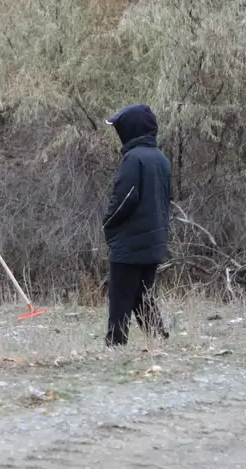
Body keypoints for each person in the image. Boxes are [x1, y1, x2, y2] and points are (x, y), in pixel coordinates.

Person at [103, 103, 171, 346]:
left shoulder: (133, 159)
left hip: (130, 243)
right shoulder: (161, 158)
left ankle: (115, 344)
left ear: (131, 129)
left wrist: (108, 224)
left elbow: (124, 200)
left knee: (120, 296)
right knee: (142, 295)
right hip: (154, 240)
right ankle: (158, 338)